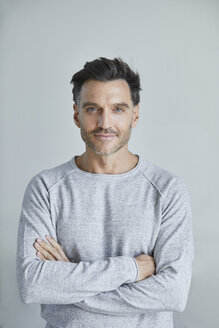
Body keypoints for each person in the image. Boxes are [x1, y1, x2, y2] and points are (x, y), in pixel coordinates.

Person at [16, 56, 194, 328]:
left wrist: (68, 282)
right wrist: (131, 269)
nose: (104, 122)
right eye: (92, 109)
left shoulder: (168, 190)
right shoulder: (45, 188)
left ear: (135, 114)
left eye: (118, 109)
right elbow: (33, 284)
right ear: (77, 115)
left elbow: (173, 292)